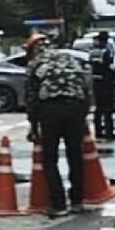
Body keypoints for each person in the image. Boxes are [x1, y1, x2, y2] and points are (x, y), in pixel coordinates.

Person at [26, 33, 91, 218]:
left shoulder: (35, 64)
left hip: (51, 108)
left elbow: (32, 99)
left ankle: (58, 203)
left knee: (50, 158)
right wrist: (84, 114)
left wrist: (33, 125)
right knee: (75, 154)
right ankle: (77, 201)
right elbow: (85, 86)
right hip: (76, 106)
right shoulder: (68, 58)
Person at [89, 31, 115, 140]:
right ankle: (109, 132)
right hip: (106, 83)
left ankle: (98, 131)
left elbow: (92, 65)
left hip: (96, 82)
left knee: (98, 108)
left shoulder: (92, 52)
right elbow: (108, 67)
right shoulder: (106, 52)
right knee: (108, 109)